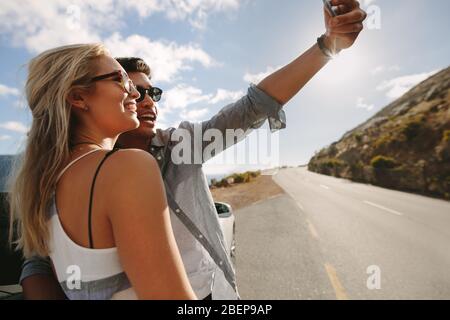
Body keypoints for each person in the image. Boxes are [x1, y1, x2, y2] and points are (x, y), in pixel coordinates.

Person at [19, 0, 367, 299]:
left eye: (152, 92)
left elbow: (251, 108)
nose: (142, 98)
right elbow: (38, 261)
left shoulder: (175, 145)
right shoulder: (124, 168)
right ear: (78, 98)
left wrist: (327, 46)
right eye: (125, 84)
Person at [9, 43, 197, 300]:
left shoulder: (45, 187)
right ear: (77, 97)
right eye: (121, 80)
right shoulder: (128, 167)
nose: (135, 94)